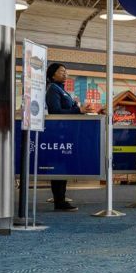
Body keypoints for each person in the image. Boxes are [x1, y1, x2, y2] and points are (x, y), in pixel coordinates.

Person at [44, 63, 92, 212]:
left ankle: (61, 199)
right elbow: (56, 111)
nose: (65, 74)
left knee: (63, 167)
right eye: (61, 71)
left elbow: (68, 110)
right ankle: (59, 201)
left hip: (66, 133)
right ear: (53, 74)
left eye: (66, 71)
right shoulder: (53, 89)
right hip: (58, 133)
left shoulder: (61, 89)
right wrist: (78, 110)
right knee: (59, 167)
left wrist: (80, 110)